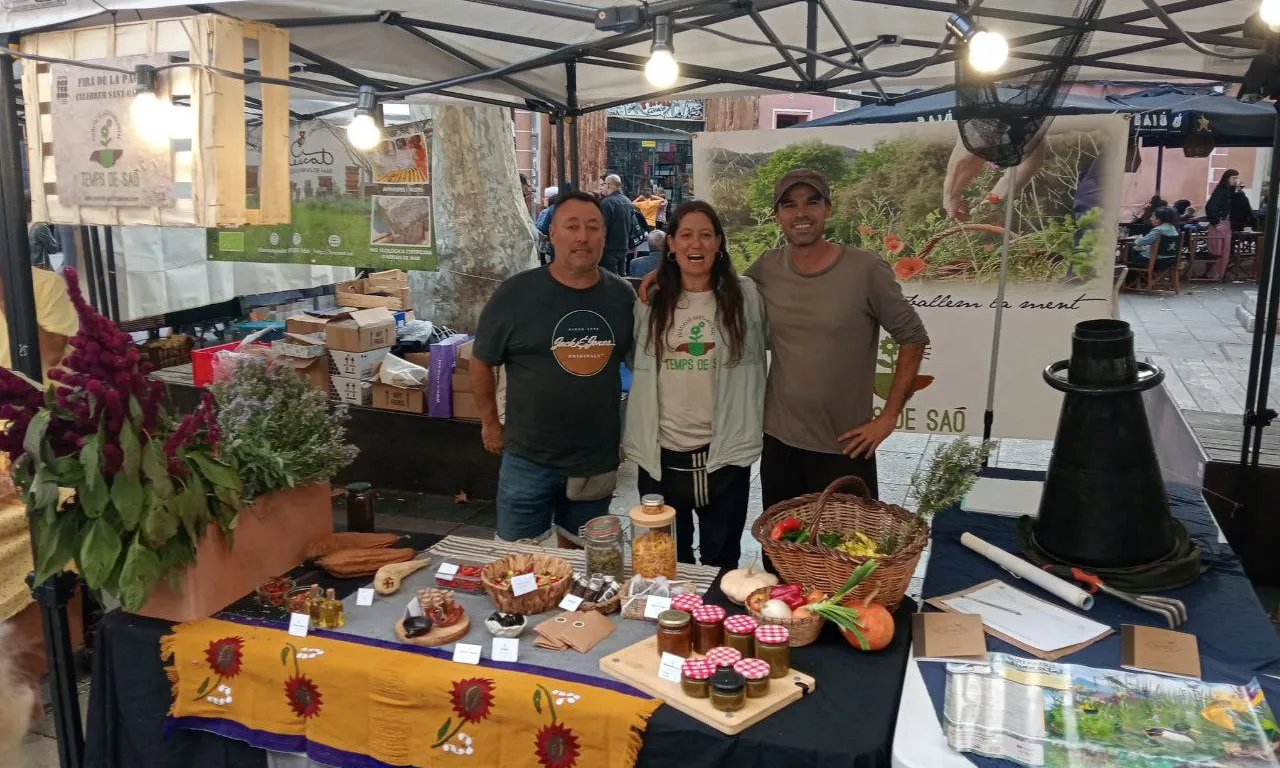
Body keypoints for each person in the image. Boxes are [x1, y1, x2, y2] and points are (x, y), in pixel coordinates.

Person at [641, 169, 929, 505]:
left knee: (843, 552)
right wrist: (666, 273)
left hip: (844, 446)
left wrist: (889, 417)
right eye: (789, 205)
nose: (801, 213)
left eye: (812, 202)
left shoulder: (865, 269)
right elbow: (714, 286)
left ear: (828, 209)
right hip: (780, 445)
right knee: (779, 552)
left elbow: (913, 336)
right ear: (778, 215)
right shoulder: (767, 268)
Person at [471, 191, 636, 547]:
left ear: (604, 236)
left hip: (595, 460)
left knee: (588, 568)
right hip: (527, 458)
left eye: (593, 227)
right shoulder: (516, 294)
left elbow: (646, 363)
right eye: (572, 226)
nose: (583, 236)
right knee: (517, 568)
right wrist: (489, 423)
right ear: (552, 234)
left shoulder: (622, 297)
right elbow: (482, 360)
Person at [624, 201, 767, 568]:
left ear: (719, 243)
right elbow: (634, 361)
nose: (696, 244)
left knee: (722, 564)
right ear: (670, 243)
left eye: (706, 235)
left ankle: (712, 624)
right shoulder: (651, 301)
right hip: (661, 457)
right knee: (667, 562)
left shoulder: (746, 297)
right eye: (686, 235)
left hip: (725, 456)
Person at [1205, 169, 1256, 280]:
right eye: (1233, 178)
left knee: (1225, 252)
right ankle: (1213, 274)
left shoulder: (1232, 191)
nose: (1235, 180)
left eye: (1237, 178)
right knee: (1217, 251)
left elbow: (1242, 202)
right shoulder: (1220, 190)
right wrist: (1216, 222)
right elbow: (1210, 207)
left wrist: (1238, 188)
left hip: (1227, 224)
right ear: (1227, 178)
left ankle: (1220, 274)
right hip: (1219, 224)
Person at [599, 174, 640, 276]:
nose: (602, 187)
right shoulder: (627, 201)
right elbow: (633, 224)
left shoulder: (607, 203)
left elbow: (602, 227)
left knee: (609, 279)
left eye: (603, 184)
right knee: (622, 277)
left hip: (609, 248)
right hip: (623, 247)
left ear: (609, 185)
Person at [535, 186, 559, 266]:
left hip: (554, 244)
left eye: (546, 197)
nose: (544, 199)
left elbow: (543, 228)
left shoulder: (550, 210)